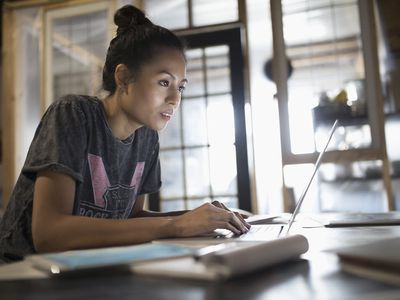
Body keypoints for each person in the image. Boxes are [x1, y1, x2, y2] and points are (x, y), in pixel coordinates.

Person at [0, 5, 250, 263]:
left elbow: (128, 219)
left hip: (85, 271)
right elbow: (49, 235)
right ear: (124, 77)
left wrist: (200, 218)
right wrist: (176, 225)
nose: (175, 98)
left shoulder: (147, 137)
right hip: (20, 272)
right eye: (164, 82)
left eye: (181, 87)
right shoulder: (73, 114)